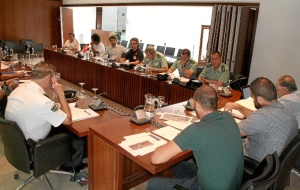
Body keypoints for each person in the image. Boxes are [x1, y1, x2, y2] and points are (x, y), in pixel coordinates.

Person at [147, 85, 244, 190]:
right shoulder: (227, 117)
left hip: (207, 187)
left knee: (153, 183)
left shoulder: (197, 130)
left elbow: (156, 159)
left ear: (197, 104)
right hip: (231, 184)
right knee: (176, 166)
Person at [5, 62, 85, 172]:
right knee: (78, 138)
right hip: (35, 145)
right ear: (49, 77)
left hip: (17, 142)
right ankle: (69, 167)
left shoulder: (19, 89)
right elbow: (68, 120)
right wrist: (61, 94)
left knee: (59, 127)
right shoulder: (42, 102)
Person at [224, 77, 298, 162]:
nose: (252, 99)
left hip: (253, 162)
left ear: (259, 99)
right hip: (273, 164)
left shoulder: (262, 117)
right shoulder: (287, 111)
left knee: (221, 140)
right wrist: (237, 106)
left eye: (252, 97)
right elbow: (257, 117)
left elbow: (230, 132)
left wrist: (222, 117)